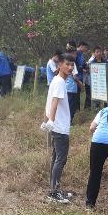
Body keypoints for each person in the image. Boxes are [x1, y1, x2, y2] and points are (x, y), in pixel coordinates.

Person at [43, 53, 76, 203]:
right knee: (60, 159)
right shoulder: (60, 82)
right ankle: (54, 193)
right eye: (67, 64)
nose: (70, 67)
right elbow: (54, 102)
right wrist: (50, 120)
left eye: (72, 65)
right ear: (60, 65)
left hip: (57, 125)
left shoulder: (57, 80)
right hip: (60, 127)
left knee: (56, 158)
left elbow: (49, 102)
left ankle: (54, 189)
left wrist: (47, 120)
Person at [85, 106, 108, 210]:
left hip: (97, 141)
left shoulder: (103, 110)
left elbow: (92, 128)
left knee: (94, 173)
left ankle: (90, 204)